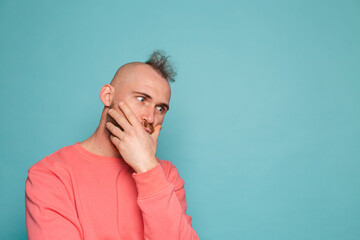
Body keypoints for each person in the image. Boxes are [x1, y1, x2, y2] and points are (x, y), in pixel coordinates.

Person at [25, 51, 199, 240]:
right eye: (142, 99)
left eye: (160, 108)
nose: (150, 117)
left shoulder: (166, 175)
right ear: (108, 95)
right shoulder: (51, 174)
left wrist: (148, 168)